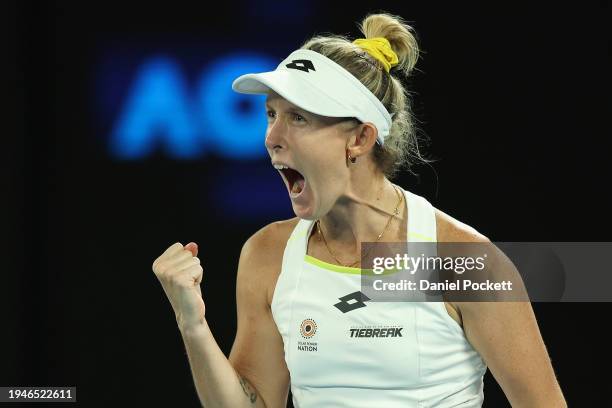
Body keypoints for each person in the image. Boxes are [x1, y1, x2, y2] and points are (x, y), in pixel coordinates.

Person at [152, 12, 567, 407]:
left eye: (298, 118)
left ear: (360, 139)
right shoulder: (267, 255)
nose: (271, 138)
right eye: (271, 115)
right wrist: (193, 325)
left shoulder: (462, 261)